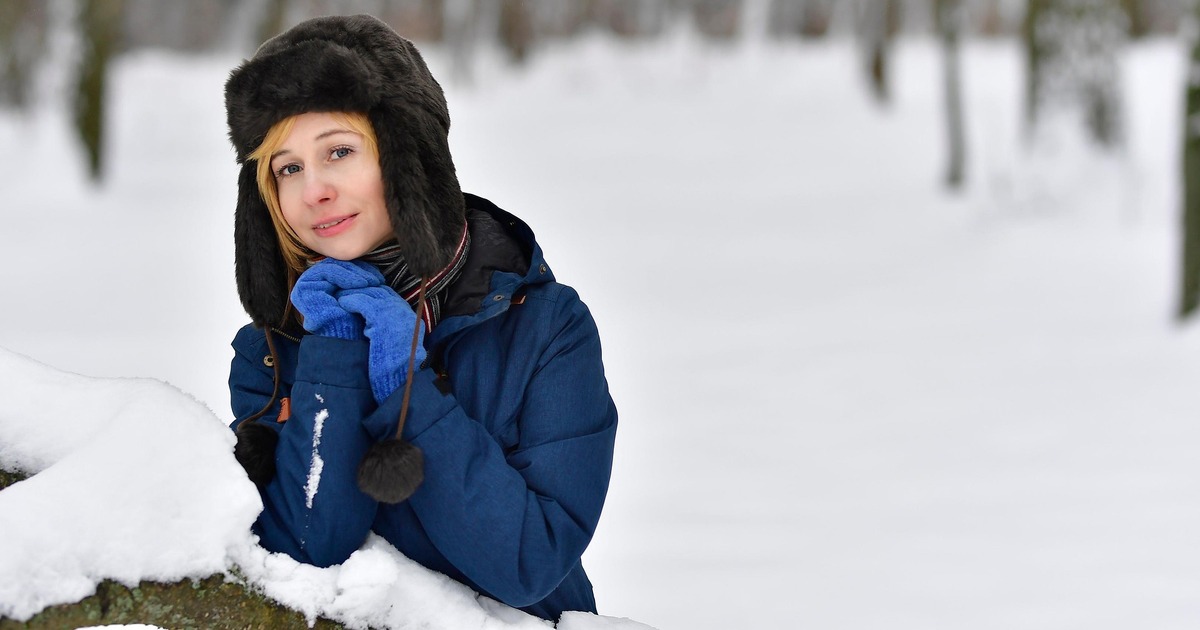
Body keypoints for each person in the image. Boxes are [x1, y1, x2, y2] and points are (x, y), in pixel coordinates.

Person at [223, 14, 617, 621]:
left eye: (339, 151)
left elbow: (528, 564)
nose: (313, 191)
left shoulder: (543, 327)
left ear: (408, 159)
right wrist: (335, 356)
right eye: (289, 167)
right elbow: (307, 552)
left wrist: (410, 391)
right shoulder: (271, 354)